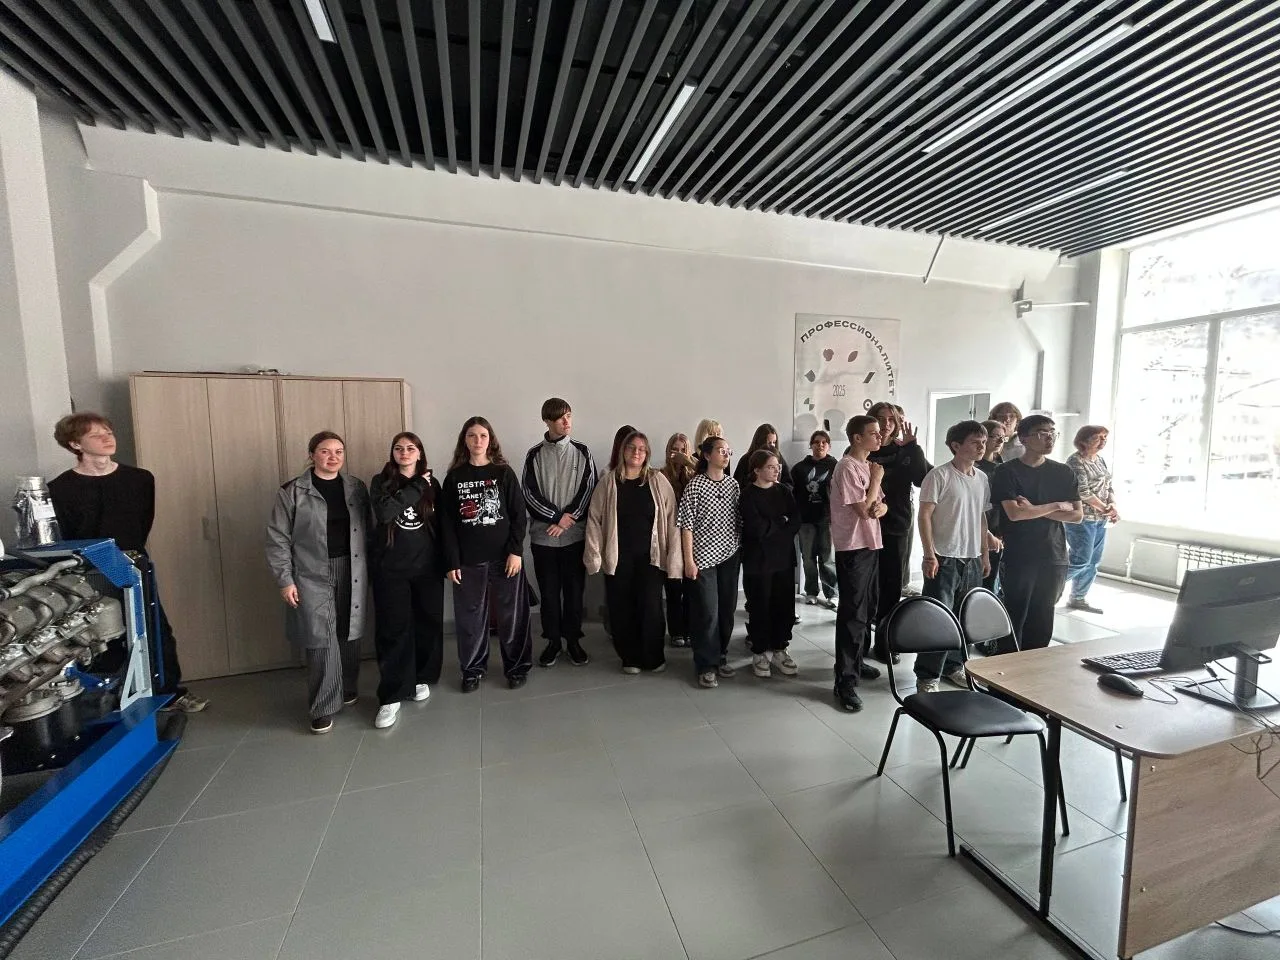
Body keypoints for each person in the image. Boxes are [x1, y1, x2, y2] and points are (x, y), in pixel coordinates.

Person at [49, 412, 208, 713]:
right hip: (85, 570)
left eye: (109, 432)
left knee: (154, 628)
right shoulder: (59, 488)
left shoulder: (140, 479)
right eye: (96, 435)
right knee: (99, 632)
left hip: (132, 562)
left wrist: (127, 558)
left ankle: (169, 693)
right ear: (75, 444)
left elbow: (142, 523)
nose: (107, 438)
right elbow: (66, 534)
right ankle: (109, 697)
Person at [266, 431, 371, 733]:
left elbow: (369, 527)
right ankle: (323, 706)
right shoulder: (293, 491)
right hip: (311, 573)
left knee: (349, 629)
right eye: (325, 451)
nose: (333, 457)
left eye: (339, 451)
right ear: (312, 455)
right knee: (320, 636)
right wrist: (285, 580)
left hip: (352, 567)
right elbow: (277, 538)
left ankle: (347, 687)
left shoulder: (355, 487)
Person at [440, 417, 533, 691]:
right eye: (472, 435)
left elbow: (518, 515)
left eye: (483, 435)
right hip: (468, 561)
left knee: (512, 616)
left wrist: (516, 551)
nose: (478, 440)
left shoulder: (503, 472)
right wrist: (452, 561)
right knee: (470, 619)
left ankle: (516, 667)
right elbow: (447, 525)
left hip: (505, 559)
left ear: (490, 440)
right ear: (464, 440)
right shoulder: (454, 477)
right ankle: (472, 670)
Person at [584, 431, 682, 673]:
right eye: (631, 447)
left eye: (641, 448)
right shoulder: (609, 482)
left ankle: (653, 657)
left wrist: (674, 557)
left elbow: (672, 519)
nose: (636, 452)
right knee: (621, 607)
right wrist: (594, 555)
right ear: (623, 451)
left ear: (647, 453)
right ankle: (630, 658)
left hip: (651, 558)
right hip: (618, 558)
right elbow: (594, 519)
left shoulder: (657, 480)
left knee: (651, 607)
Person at [368, 432, 444, 730]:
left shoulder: (434, 484)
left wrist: (449, 562)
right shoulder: (381, 482)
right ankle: (392, 694)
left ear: (419, 452)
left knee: (428, 623)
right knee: (393, 630)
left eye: (411, 448)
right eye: (398, 448)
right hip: (391, 569)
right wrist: (417, 486)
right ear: (393, 453)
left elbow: (443, 525)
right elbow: (385, 511)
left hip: (427, 568)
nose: (404, 452)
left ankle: (420, 678)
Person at [991, 415, 1083, 652]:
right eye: (1042, 433)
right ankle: (1005, 669)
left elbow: (1077, 515)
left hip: (1054, 554)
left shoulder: (1063, 472)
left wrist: (1033, 509)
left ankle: (1033, 669)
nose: (1049, 438)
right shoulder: (1007, 471)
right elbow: (1015, 514)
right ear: (1023, 438)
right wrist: (1055, 506)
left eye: (1053, 433)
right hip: (1020, 554)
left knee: (1043, 617)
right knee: (1014, 616)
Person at [914, 421, 993, 693]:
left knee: (965, 617)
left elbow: (981, 518)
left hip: (971, 558)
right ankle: (927, 676)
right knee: (938, 619)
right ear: (956, 446)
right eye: (975, 442)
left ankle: (955, 666)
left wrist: (984, 554)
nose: (981, 446)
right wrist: (929, 555)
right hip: (944, 557)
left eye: (983, 442)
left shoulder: (982, 479)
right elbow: (924, 516)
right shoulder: (939, 476)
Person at [522, 398, 598, 669]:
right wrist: (555, 518)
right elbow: (529, 493)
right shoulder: (534, 455)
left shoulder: (582, 451)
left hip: (574, 537)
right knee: (550, 594)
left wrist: (567, 520)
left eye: (569, 415)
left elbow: (589, 488)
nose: (566, 421)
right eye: (560, 417)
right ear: (547, 421)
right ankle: (553, 641)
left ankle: (573, 640)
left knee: (574, 593)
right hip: (544, 538)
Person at [829, 415, 887, 712]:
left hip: (871, 544)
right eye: (873, 433)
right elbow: (864, 510)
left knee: (868, 608)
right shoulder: (847, 467)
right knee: (852, 613)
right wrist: (876, 481)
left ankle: (858, 660)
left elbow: (880, 505)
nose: (880, 437)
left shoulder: (868, 465)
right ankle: (845, 681)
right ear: (856, 438)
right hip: (853, 547)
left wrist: (881, 505)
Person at [867, 401, 931, 663]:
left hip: (895, 526)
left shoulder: (906, 450)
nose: (885, 424)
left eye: (891, 419)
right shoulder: (863, 449)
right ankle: (860, 644)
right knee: (865, 587)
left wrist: (914, 447)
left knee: (891, 587)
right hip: (865, 526)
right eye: (880, 419)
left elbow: (924, 479)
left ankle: (885, 643)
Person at [678, 435, 741, 689]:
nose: (726, 455)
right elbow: (686, 526)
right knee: (707, 612)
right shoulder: (695, 485)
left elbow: (739, 520)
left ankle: (721, 655)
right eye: (720, 451)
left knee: (727, 609)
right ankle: (705, 664)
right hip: (702, 558)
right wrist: (688, 560)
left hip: (730, 555)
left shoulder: (733, 485)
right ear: (706, 455)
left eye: (728, 451)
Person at [740, 450, 802, 679]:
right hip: (758, 561)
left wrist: (774, 526)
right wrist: (780, 522)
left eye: (778, 466)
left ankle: (779, 648)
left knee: (784, 606)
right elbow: (756, 528)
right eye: (770, 466)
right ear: (757, 470)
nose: (776, 470)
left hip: (783, 558)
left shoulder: (784, 491)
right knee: (760, 606)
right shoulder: (748, 495)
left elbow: (795, 521)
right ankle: (759, 652)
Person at [1064, 425, 1118, 614]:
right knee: (1081, 559)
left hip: (1100, 518)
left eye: (1104, 437)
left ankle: (1078, 597)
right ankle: (1047, 587)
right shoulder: (1075, 461)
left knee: (1093, 561)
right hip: (1083, 518)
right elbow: (1083, 492)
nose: (1103, 441)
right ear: (1083, 441)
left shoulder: (1100, 460)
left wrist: (1112, 505)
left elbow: (1108, 486)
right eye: (1097, 437)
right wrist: (1105, 509)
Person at [791, 430, 838, 609]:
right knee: (808, 558)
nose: (820, 445)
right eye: (817, 442)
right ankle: (811, 591)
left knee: (828, 558)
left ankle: (832, 593)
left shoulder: (836, 466)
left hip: (827, 518)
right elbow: (792, 494)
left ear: (829, 446)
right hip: (805, 520)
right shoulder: (799, 468)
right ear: (811, 445)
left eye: (824, 442)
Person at [660, 433, 697, 647]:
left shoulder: (694, 474)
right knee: (673, 586)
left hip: (692, 537)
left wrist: (688, 462)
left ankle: (691, 628)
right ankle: (676, 631)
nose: (678, 453)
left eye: (683, 449)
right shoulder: (662, 474)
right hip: (671, 536)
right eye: (675, 449)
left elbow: (709, 473)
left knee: (692, 587)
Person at [976, 419, 1007, 593]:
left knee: (993, 580)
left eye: (1003, 437)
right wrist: (986, 533)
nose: (1000, 441)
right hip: (979, 527)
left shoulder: (1003, 467)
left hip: (998, 525)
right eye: (995, 436)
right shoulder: (975, 467)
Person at [732, 423, 791, 489]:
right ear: (760, 442)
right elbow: (738, 485)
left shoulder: (779, 457)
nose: (772, 445)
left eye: (774, 442)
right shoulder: (746, 459)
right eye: (769, 442)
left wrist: (779, 487)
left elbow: (789, 483)